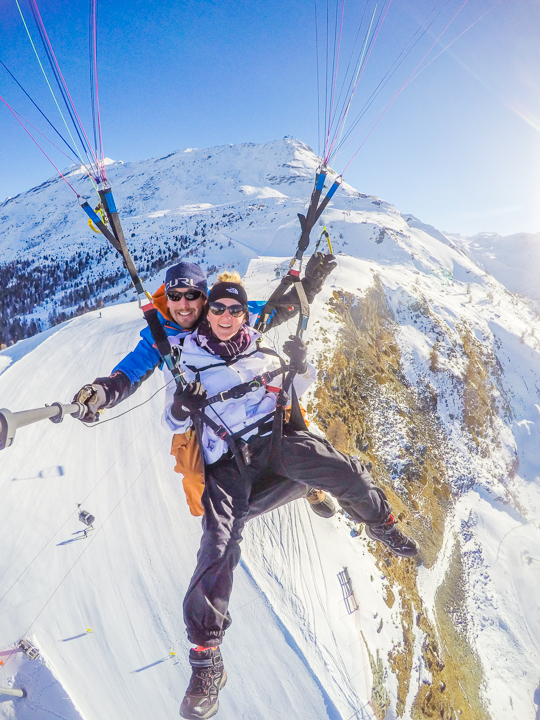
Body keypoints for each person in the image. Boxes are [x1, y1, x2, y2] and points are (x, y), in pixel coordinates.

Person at [162, 275, 418, 719]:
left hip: (272, 439)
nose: (225, 317)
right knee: (218, 541)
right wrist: (183, 405)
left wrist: (300, 367)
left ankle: (381, 523)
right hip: (227, 460)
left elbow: (294, 394)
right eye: (218, 309)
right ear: (209, 313)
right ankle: (206, 659)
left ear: (244, 315)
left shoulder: (262, 351)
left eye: (234, 310)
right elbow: (170, 417)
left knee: (343, 471)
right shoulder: (188, 359)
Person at [73, 259, 338, 518]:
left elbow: (274, 310)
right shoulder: (163, 333)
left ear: (205, 298)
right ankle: (225, 514)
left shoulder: (222, 313)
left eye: (192, 295)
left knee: (290, 412)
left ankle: (308, 481)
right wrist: (101, 394)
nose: (183, 304)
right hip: (197, 409)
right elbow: (130, 371)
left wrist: (310, 284)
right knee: (197, 483)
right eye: (174, 296)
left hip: (244, 397)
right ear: (167, 298)